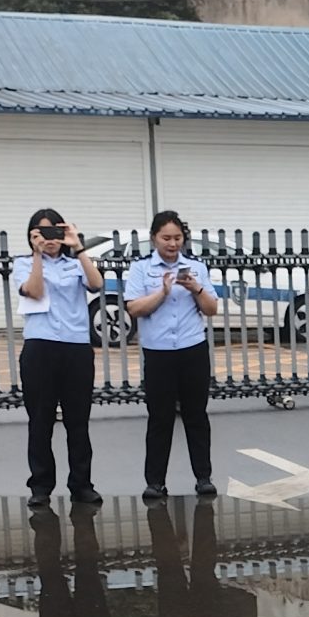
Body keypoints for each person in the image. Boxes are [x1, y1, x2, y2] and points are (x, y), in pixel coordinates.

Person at [123, 210, 222, 502]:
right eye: (166, 238)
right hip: (159, 352)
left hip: (192, 349)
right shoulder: (141, 269)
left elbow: (211, 308)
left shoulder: (196, 267)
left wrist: (196, 288)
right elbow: (134, 308)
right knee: (160, 418)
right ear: (154, 238)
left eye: (177, 238)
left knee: (196, 416)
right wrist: (162, 293)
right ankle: (155, 482)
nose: (172, 243)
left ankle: (203, 477)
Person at [15, 205, 105, 508]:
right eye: (43, 232)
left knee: (78, 422)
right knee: (40, 421)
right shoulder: (23, 264)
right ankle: (40, 485)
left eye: (55, 231)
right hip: (40, 347)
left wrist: (77, 246)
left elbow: (97, 284)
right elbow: (35, 291)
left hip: (76, 347)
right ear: (32, 235)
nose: (50, 238)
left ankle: (82, 484)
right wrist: (38, 255)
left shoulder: (75, 263)